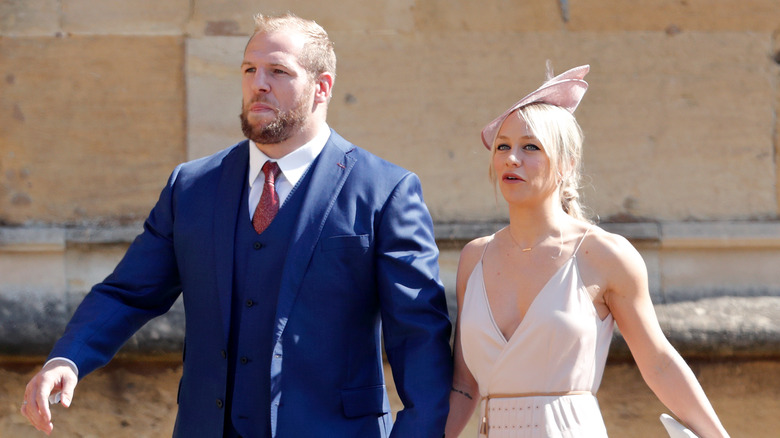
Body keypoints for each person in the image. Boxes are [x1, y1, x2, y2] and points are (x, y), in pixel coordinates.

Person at [21, 12, 452, 438]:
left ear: (322, 87)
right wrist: (67, 359)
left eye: (278, 71)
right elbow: (128, 292)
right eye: (250, 69)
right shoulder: (190, 187)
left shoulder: (384, 190)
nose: (257, 83)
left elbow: (419, 338)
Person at [444, 64, 729, 437]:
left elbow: (658, 362)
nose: (512, 158)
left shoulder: (606, 254)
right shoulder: (473, 258)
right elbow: (464, 385)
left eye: (530, 146)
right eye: (503, 146)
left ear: (566, 164)